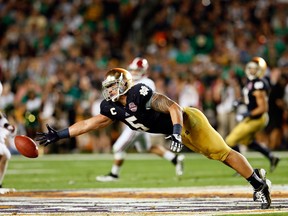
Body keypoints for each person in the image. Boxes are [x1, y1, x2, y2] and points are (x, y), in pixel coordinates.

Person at [36, 68, 272, 209]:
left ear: (124, 84)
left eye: (113, 86)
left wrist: (177, 132)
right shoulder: (111, 107)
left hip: (188, 121)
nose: (109, 91)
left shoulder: (139, 93)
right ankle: (256, 176)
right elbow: (89, 123)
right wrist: (59, 134)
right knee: (215, 155)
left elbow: (173, 107)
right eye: (107, 87)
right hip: (175, 131)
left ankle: (259, 185)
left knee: (223, 153)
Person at [96, 57, 184, 182]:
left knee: (118, 148)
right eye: (134, 70)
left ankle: (114, 174)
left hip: (138, 120)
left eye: (138, 70)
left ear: (144, 71)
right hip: (135, 121)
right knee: (145, 148)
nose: (135, 72)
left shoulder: (146, 83)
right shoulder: (127, 81)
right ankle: (174, 159)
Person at [226, 57, 280, 173]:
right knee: (247, 142)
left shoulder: (259, 84)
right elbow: (249, 99)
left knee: (230, 141)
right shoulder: (251, 82)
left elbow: (263, 108)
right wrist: (239, 102)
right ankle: (271, 157)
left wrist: (247, 113)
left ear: (260, 70)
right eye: (249, 68)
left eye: (254, 69)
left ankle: (239, 167)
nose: (251, 71)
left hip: (258, 118)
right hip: (253, 117)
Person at [0, 112, 16, 188]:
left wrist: (10, 127)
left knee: (6, 155)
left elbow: (4, 123)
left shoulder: (2, 121)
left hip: (1, 143)